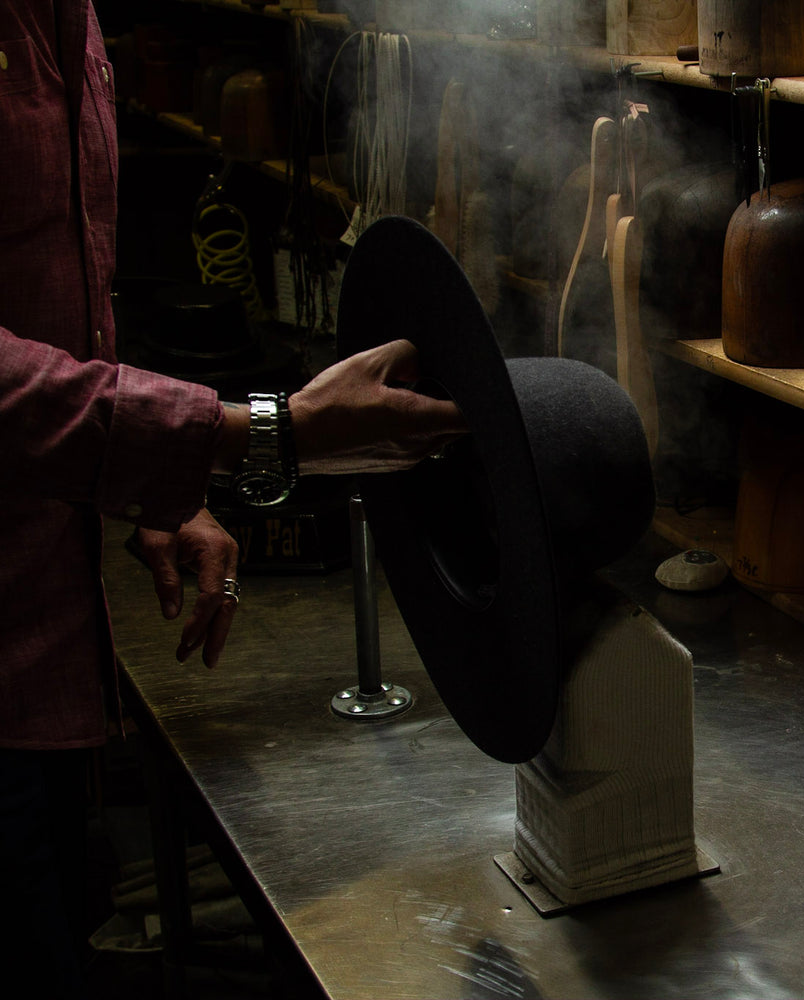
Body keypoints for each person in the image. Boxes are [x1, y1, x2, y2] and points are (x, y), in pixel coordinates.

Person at [1, 2, 465, 995]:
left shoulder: (74, 19)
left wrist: (153, 485)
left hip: (45, 638)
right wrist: (263, 428)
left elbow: (49, 304)